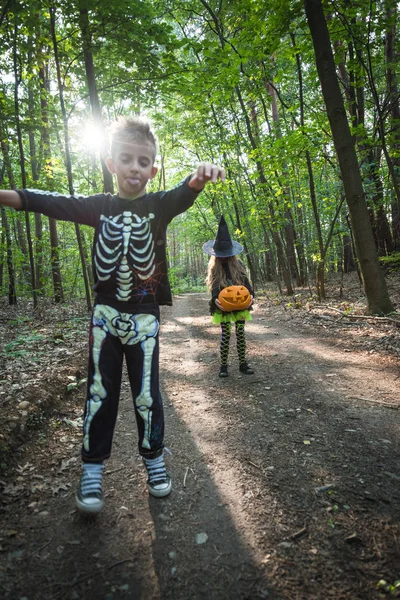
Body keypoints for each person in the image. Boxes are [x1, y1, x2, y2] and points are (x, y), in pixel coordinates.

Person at [0, 116, 225, 514]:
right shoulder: (97, 207)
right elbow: (50, 201)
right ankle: (91, 470)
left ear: (152, 169)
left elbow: (186, 191)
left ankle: (153, 460)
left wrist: (200, 177)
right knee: (99, 394)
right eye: (127, 159)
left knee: (146, 393)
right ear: (111, 164)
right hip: (104, 317)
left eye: (143, 162)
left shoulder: (159, 206)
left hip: (145, 318)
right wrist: (8, 194)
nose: (134, 168)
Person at [203, 215, 255, 378]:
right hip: (223, 305)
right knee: (226, 335)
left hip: (240, 304)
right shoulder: (214, 268)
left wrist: (251, 295)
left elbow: (246, 283)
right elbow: (214, 286)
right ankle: (223, 366)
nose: (224, 257)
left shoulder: (238, 265)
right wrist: (215, 299)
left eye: (226, 254)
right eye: (221, 254)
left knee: (240, 333)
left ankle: (243, 364)